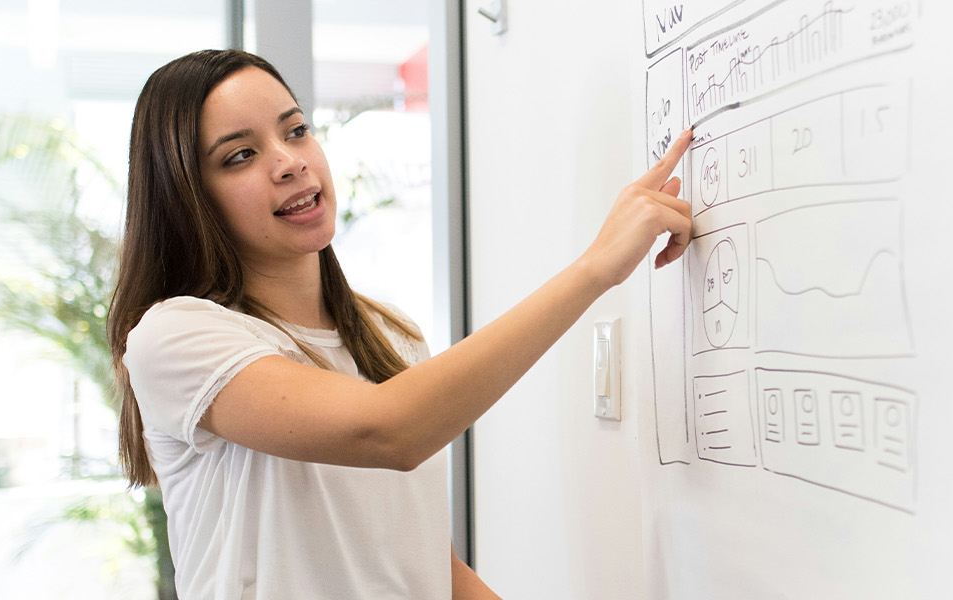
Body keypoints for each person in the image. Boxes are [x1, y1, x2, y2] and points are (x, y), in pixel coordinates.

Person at [107, 49, 693, 599]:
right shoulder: (174, 335)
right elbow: (388, 431)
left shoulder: (392, 335)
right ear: (188, 196)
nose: (289, 162)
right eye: (241, 155)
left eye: (295, 130)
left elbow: (420, 561)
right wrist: (594, 269)